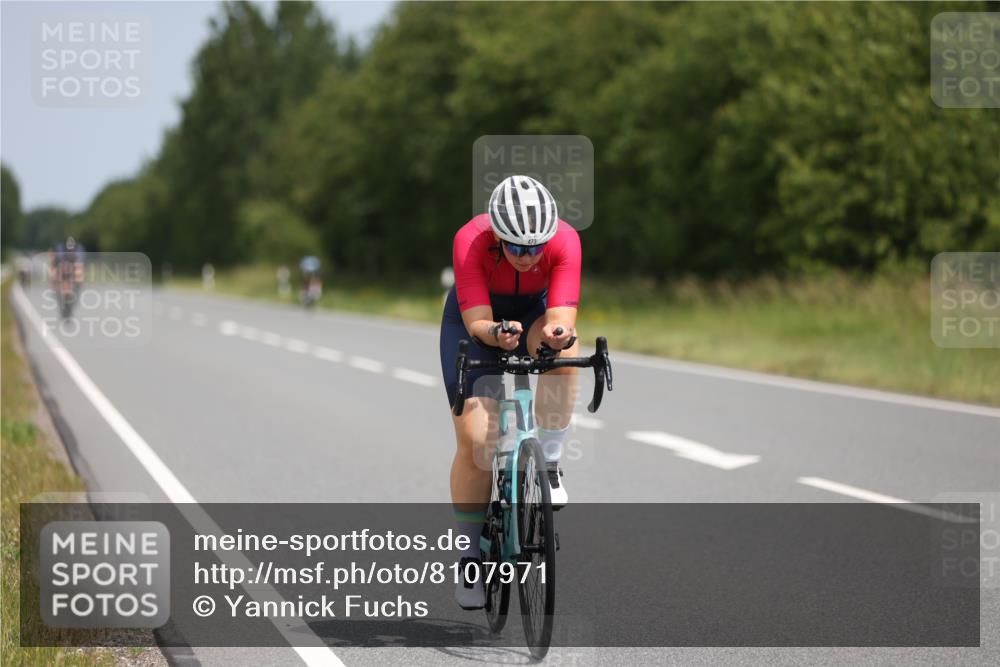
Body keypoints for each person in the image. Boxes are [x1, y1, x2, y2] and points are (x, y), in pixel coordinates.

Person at [439, 175, 581, 609]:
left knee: (566, 350)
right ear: (498, 236)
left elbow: (560, 315)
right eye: (516, 247)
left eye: (535, 247)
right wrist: (494, 333)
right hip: (475, 322)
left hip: (533, 313)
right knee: (478, 439)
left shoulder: (565, 241)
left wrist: (558, 335)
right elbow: (479, 320)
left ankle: (550, 463)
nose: (527, 256)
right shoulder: (470, 240)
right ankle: (468, 555)